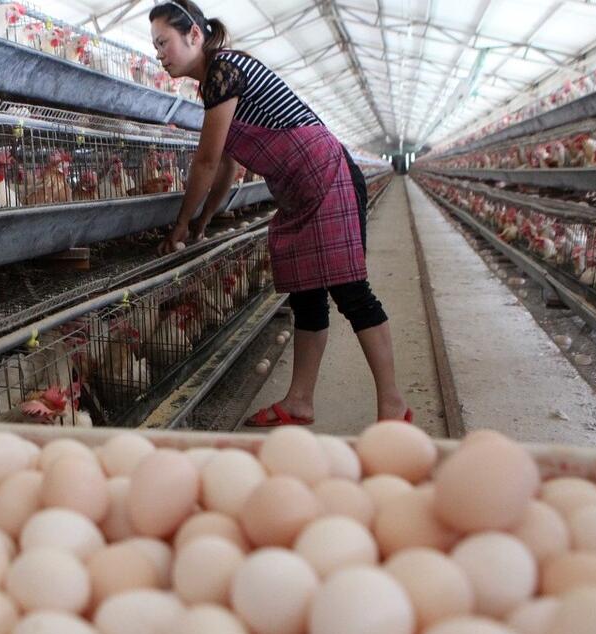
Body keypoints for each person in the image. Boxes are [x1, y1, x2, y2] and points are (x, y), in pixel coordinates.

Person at [150, 0, 411, 426]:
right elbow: (231, 166)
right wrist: (201, 221)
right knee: (306, 293)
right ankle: (299, 402)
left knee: (350, 291)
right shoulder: (215, 84)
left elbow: (207, 161)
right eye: (155, 45)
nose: (159, 53)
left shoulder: (222, 70)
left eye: (164, 42)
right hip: (301, 188)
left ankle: (394, 405)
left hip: (327, 177)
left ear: (194, 35)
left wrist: (179, 226)